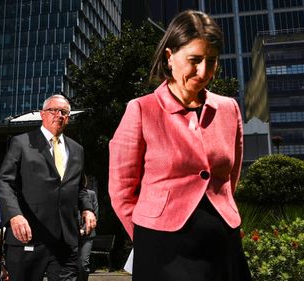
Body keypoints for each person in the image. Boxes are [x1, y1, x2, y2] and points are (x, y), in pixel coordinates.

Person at [108, 10, 252, 281]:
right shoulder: (141, 109)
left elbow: (230, 179)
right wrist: (147, 234)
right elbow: (121, 189)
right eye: (194, 60)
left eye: (211, 61)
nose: (203, 72)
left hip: (223, 242)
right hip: (162, 248)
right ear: (169, 57)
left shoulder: (229, 109)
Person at [0, 94, 97, 281]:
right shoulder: (22, 142)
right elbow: (4, 182)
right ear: (43, 114)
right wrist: (14, 215)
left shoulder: (77, 149)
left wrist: (88, 209)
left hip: (65, 239)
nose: (59, 115)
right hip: (30, 234)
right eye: (53, 110)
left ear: (68, 117)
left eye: (64, 112)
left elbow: (79, 187)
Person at [78, 180, 99, 281]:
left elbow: (94, 214)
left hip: (87, 235)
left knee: (83, 264)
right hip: (71, 234)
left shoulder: (91, 194)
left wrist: (82, 229)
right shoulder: (67, 192)